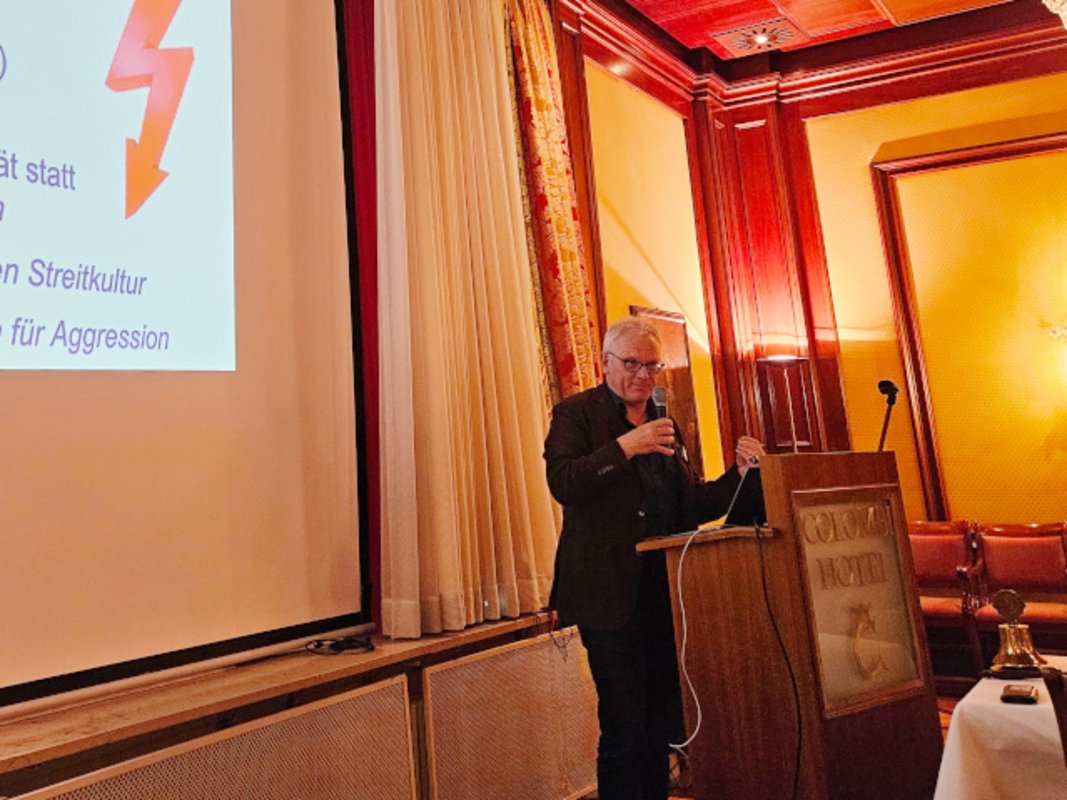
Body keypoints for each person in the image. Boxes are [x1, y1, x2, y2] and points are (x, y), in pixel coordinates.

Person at [544, 318, 765, 800]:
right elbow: (564, 482)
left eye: (651, 366)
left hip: (665, 595)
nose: (643, 375)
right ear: (605, 363)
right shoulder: (576, 414)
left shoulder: (666, 424)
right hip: (609, 599)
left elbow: (690, 504)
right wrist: (626, 447)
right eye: (632, 364)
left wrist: (739, 474)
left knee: (661, 723)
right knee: (625, 727)